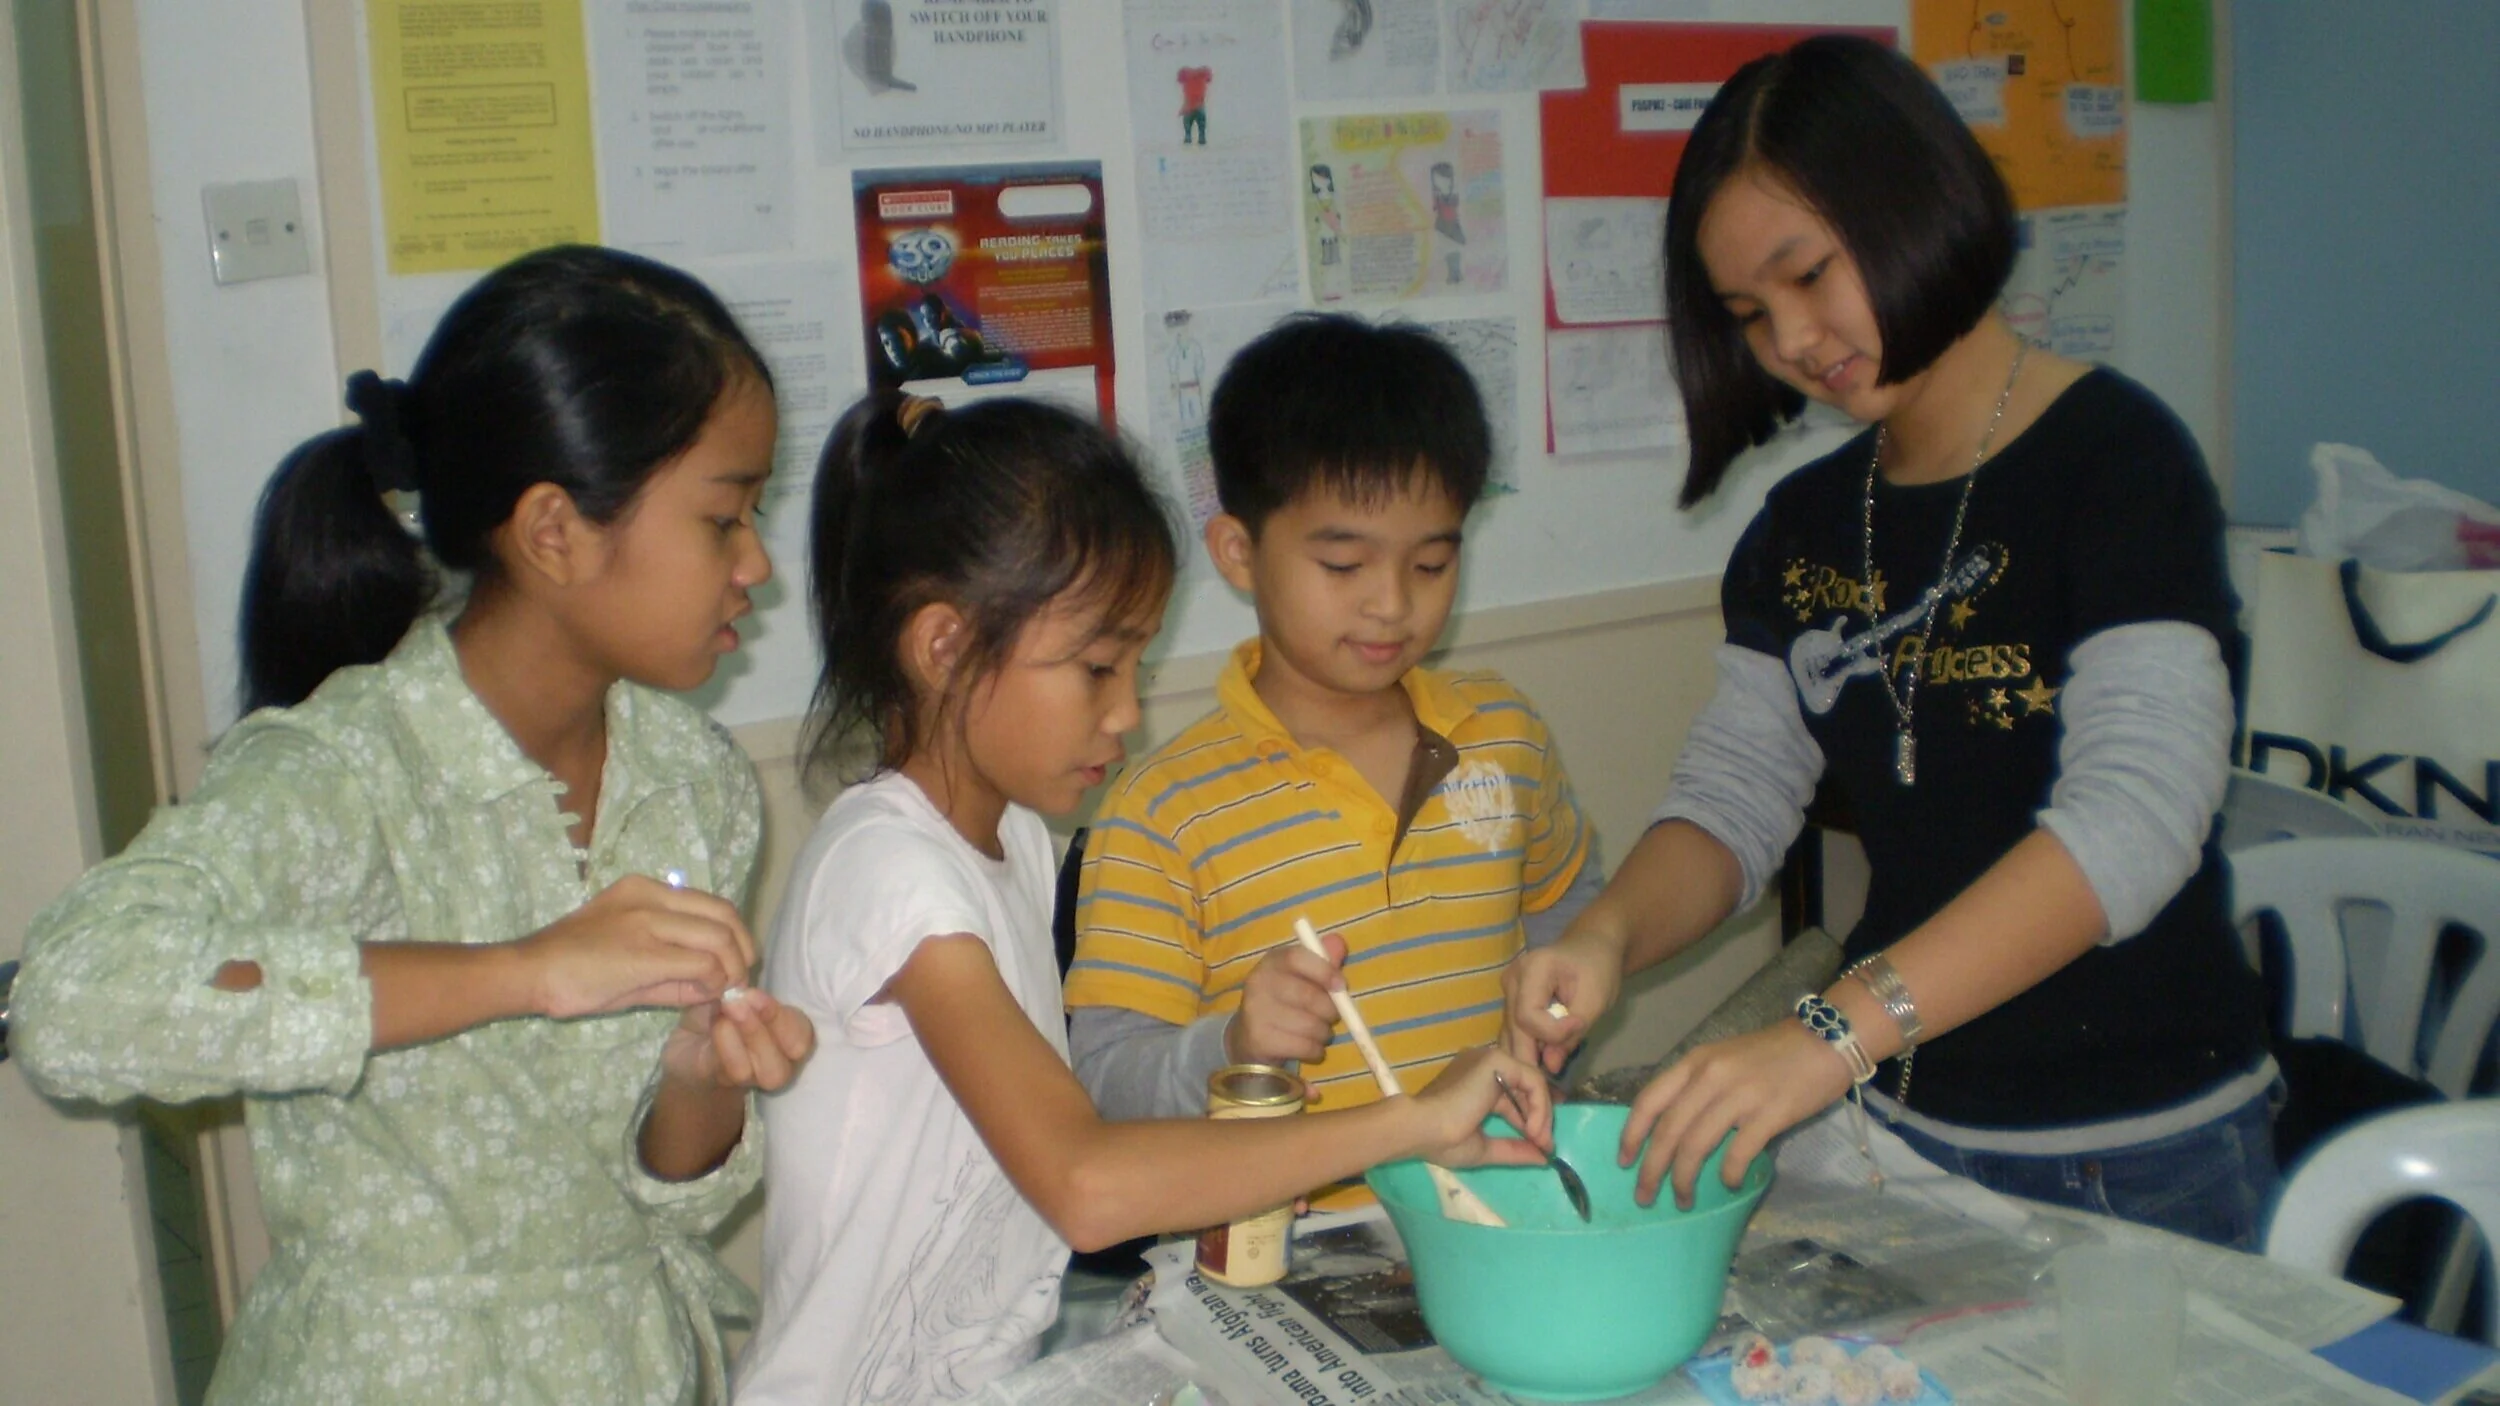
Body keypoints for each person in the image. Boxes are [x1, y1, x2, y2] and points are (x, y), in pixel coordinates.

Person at [1503, 35, 2276, 1249]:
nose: (1795, 338)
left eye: (1808, 273)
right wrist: (1602, 932)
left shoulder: (2118, 462)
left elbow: (2134, 820)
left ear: (1914, 199)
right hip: (1907, 1136)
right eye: (1751, 313)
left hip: (2136, 1144)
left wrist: (1828, 1034)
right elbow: (1736, 797)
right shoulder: (1802, 523)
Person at [12, 244, 818, 1403]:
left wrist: (702, 1080)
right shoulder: (343, 772)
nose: (755, 565)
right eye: (725, 517)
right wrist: (525, 969)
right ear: (554, 531)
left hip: (622, 1365)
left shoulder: (692, 781)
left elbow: (659, 1187)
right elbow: (72, 999)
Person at [735, 391, 1552, 1405]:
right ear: (943, 648)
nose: (1127, 709)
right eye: (1096, 667)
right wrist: (1411, 1122)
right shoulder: (890, 871)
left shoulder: (1016, 847)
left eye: (1135, 662)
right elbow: (1085, 1183)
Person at [1065, 314, 1599, 1205]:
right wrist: (1229, 1045)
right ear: (1239, 552)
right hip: (1283, 1255)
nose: (1391, 604)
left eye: (1430, 564)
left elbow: (1568, 913)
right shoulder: (1162, 809)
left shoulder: (1502, 733)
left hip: (1494, 1216)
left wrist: (1553, 1019)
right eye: (1345, 564)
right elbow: (1107, 1084)